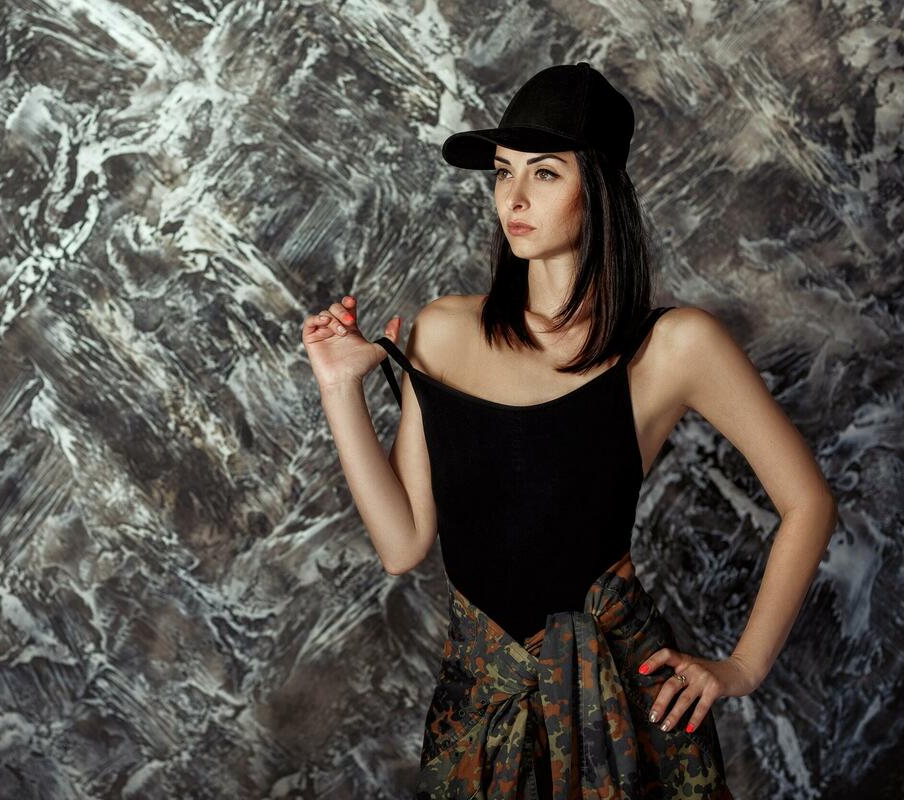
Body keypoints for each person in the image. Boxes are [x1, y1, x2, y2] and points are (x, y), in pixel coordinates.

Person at [300, 63, 837, 798]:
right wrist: (339, 389)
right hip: (481, 707)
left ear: (600, 189)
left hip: (624, 706)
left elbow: (809, 503)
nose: (513, 198)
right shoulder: (444, 330)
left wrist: (742, 666)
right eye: (503, 173)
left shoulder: (674, 346)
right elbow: (403, 545)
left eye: (545, 173)